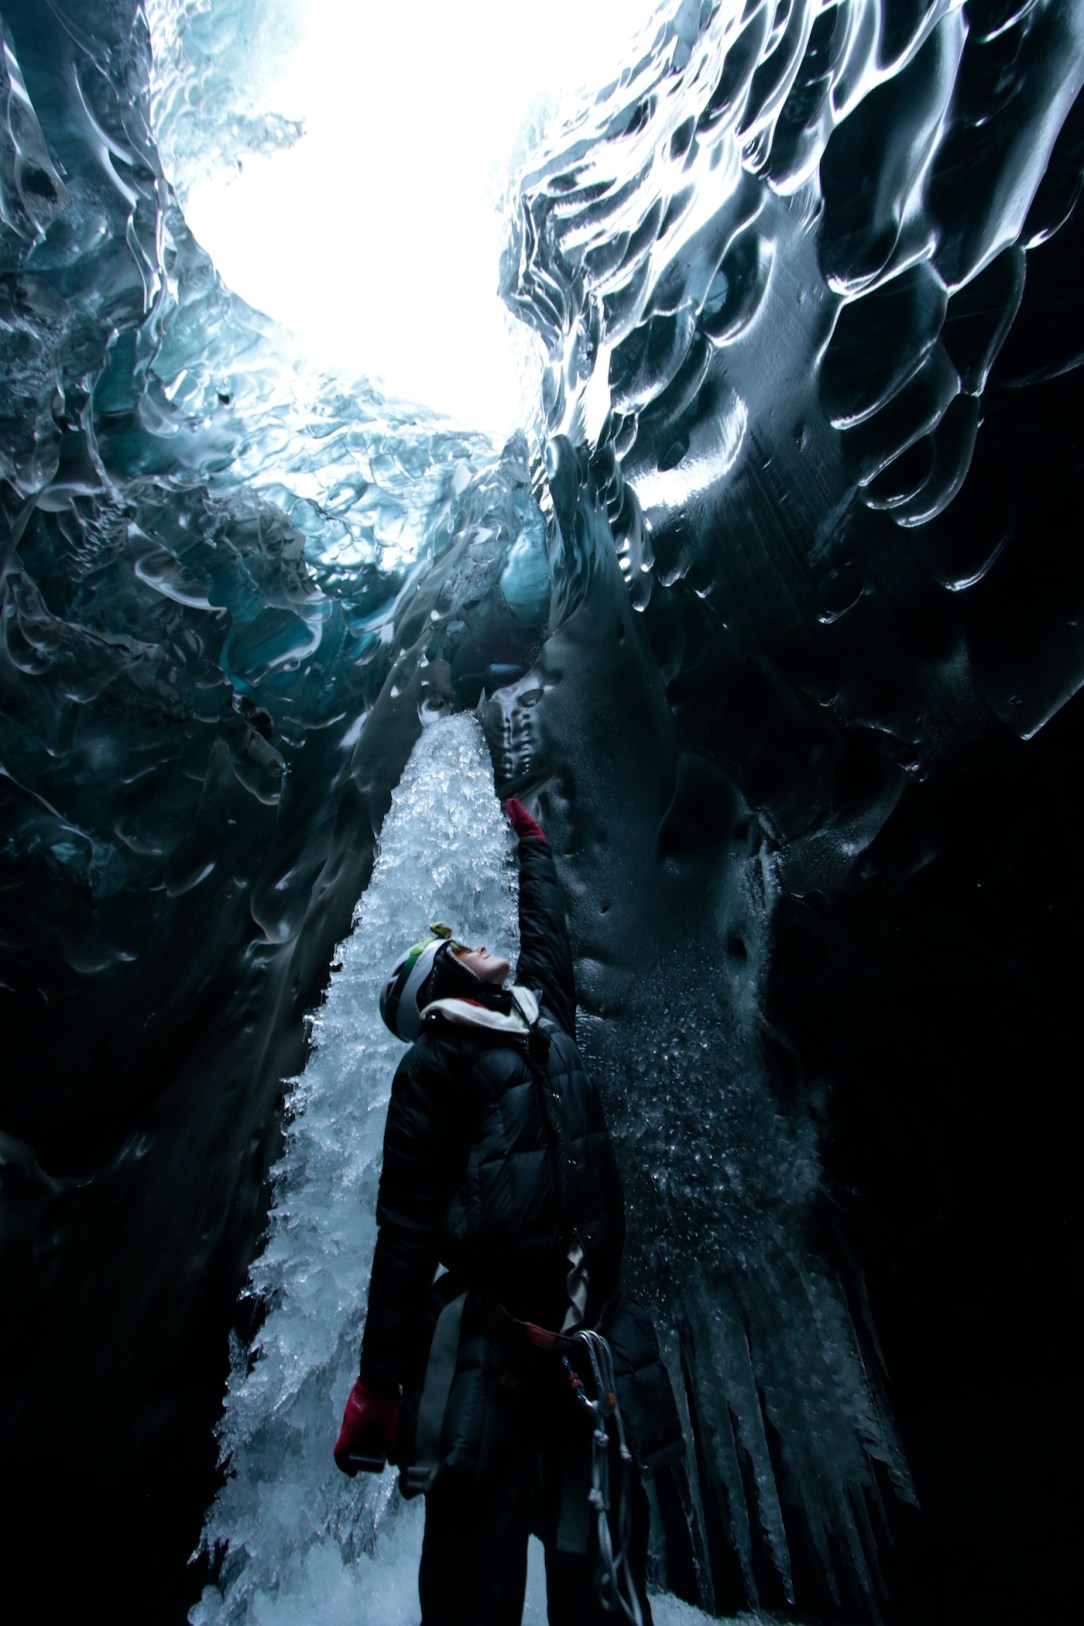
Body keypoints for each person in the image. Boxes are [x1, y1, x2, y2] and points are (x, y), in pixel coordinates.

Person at [333, 796, 682, 1625]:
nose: (480, 946)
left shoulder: (539, 1022)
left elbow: (547, 948)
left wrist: (534, 850)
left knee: (594, 1570)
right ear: (441, 980)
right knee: (471, 1578)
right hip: (496, 1350)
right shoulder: (433, 1063)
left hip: (591, 1340)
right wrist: (378, 1384)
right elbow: (407, 1228)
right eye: (459, 947)